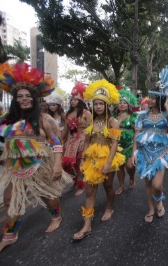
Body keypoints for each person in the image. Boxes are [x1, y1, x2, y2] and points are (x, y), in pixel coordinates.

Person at [0, 63, 71, 257]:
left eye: (28, 96)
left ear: (35, 98)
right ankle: (10, 235)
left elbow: (56, 143)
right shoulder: (8, 119)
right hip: (14, 167)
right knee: (9, 199)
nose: (24, 99)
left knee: (48, 196)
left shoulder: (43, 118)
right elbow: (7, 143)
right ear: (15, 100)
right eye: (20, 96)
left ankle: (56, 216)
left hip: (39, 165)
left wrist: (57, 164)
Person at [73, 79, 125, 240]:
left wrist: (109, 162)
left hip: (107, 158)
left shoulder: (113, 122)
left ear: (107, 105)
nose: (98, 107)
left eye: (101, 104)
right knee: (89, 190)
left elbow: (115, 144)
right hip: (92, 159)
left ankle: (109, 208)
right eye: (96, 104)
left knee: (108, 186)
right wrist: (82, 159)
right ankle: (87, 225)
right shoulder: (92, 121)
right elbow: (87, 141)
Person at [131, 66, 168, 223]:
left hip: (160, 153)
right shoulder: (142, 116)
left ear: (158, 99)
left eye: (152, 97)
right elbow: (136, 135)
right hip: (144, 153)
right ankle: (151, 208)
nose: (149, 100)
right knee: (148, 183)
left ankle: (159, 200)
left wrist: (166, 105)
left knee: (157, 185)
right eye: (148, 97)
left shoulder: (166, 115)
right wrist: (134, 153)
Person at [62, 82, 92, 196]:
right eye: (72, 99)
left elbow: (90, 130)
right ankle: (75, 181)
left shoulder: (87, 113)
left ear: (81, 100)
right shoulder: (68, 113)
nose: (73, 101)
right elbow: (65, 129)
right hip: (70, 141)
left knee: (80, 165)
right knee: (69, 165)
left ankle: (81, 185)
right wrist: (59, 141)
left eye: (75, 99)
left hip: (82, 141)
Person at [113, 87, 138, 194]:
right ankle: (122, 186)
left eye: (124, 103)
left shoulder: (132, 118)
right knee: (119, 167)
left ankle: (132, 177)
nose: (122, 104)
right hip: (117, 145)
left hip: (129, 145)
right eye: (120, 102)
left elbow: (137, 133)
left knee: (129, 166)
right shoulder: (113, 118)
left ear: (128, 105)